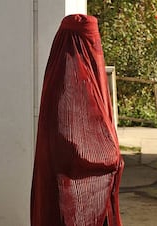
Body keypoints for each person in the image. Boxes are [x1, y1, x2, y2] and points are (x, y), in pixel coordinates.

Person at [30, 14, 124, 226]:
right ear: (81, 44)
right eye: (92, 43)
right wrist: (111, 157)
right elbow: (67, 143)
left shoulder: (67, 74)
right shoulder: (67, 77)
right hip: (67, 185)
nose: (96, 49)